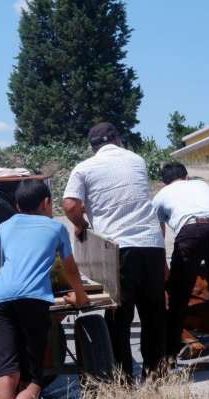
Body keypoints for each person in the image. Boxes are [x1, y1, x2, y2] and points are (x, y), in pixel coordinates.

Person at [63, 122, 167, 380]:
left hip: (118, 248)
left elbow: (69, 205)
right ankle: (154, 375)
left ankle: (122, 379)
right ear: (118, 140)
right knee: (153, 315)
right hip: (151, 245)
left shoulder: (84, 168)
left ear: (92, 147)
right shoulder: (137, 160)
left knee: (119, 317)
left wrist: (81, 225)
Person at [0, 179, 89, 399]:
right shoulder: (55, 228)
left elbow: (6, 263)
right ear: (45, 203)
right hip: (33, 300)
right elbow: (70, 269)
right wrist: (81, 296)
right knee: (34, 375)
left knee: (6, 371)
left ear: (17, 204)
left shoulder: (3, 227)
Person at [152, 162, 209, 364]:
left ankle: (170, 356)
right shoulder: (202, 185)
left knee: (178, 295)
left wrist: (163, 265)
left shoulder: (160, 195)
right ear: (186, 176)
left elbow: (158, 234)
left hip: (190, 232)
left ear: (164, 182)